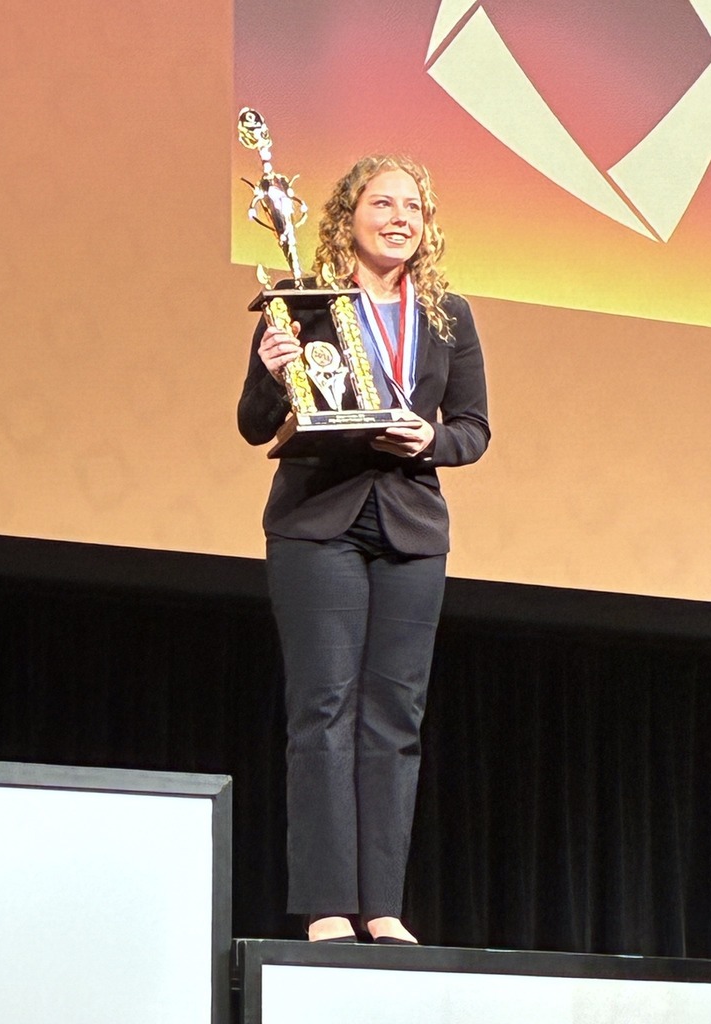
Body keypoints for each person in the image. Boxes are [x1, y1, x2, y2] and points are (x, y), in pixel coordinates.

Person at [237, 154, 490, 944]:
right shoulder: (304, 302)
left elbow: (473, 430)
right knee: (324, 710)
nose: (399, 218)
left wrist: (430, 439)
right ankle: (326, 908)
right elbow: (253, 423)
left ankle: (382, 907)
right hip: (319, 520)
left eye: (412, 206)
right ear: (348, 217)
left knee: (395, 719)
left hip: (411, 529)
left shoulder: (448, 316)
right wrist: (272, 372)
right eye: (382, 203)